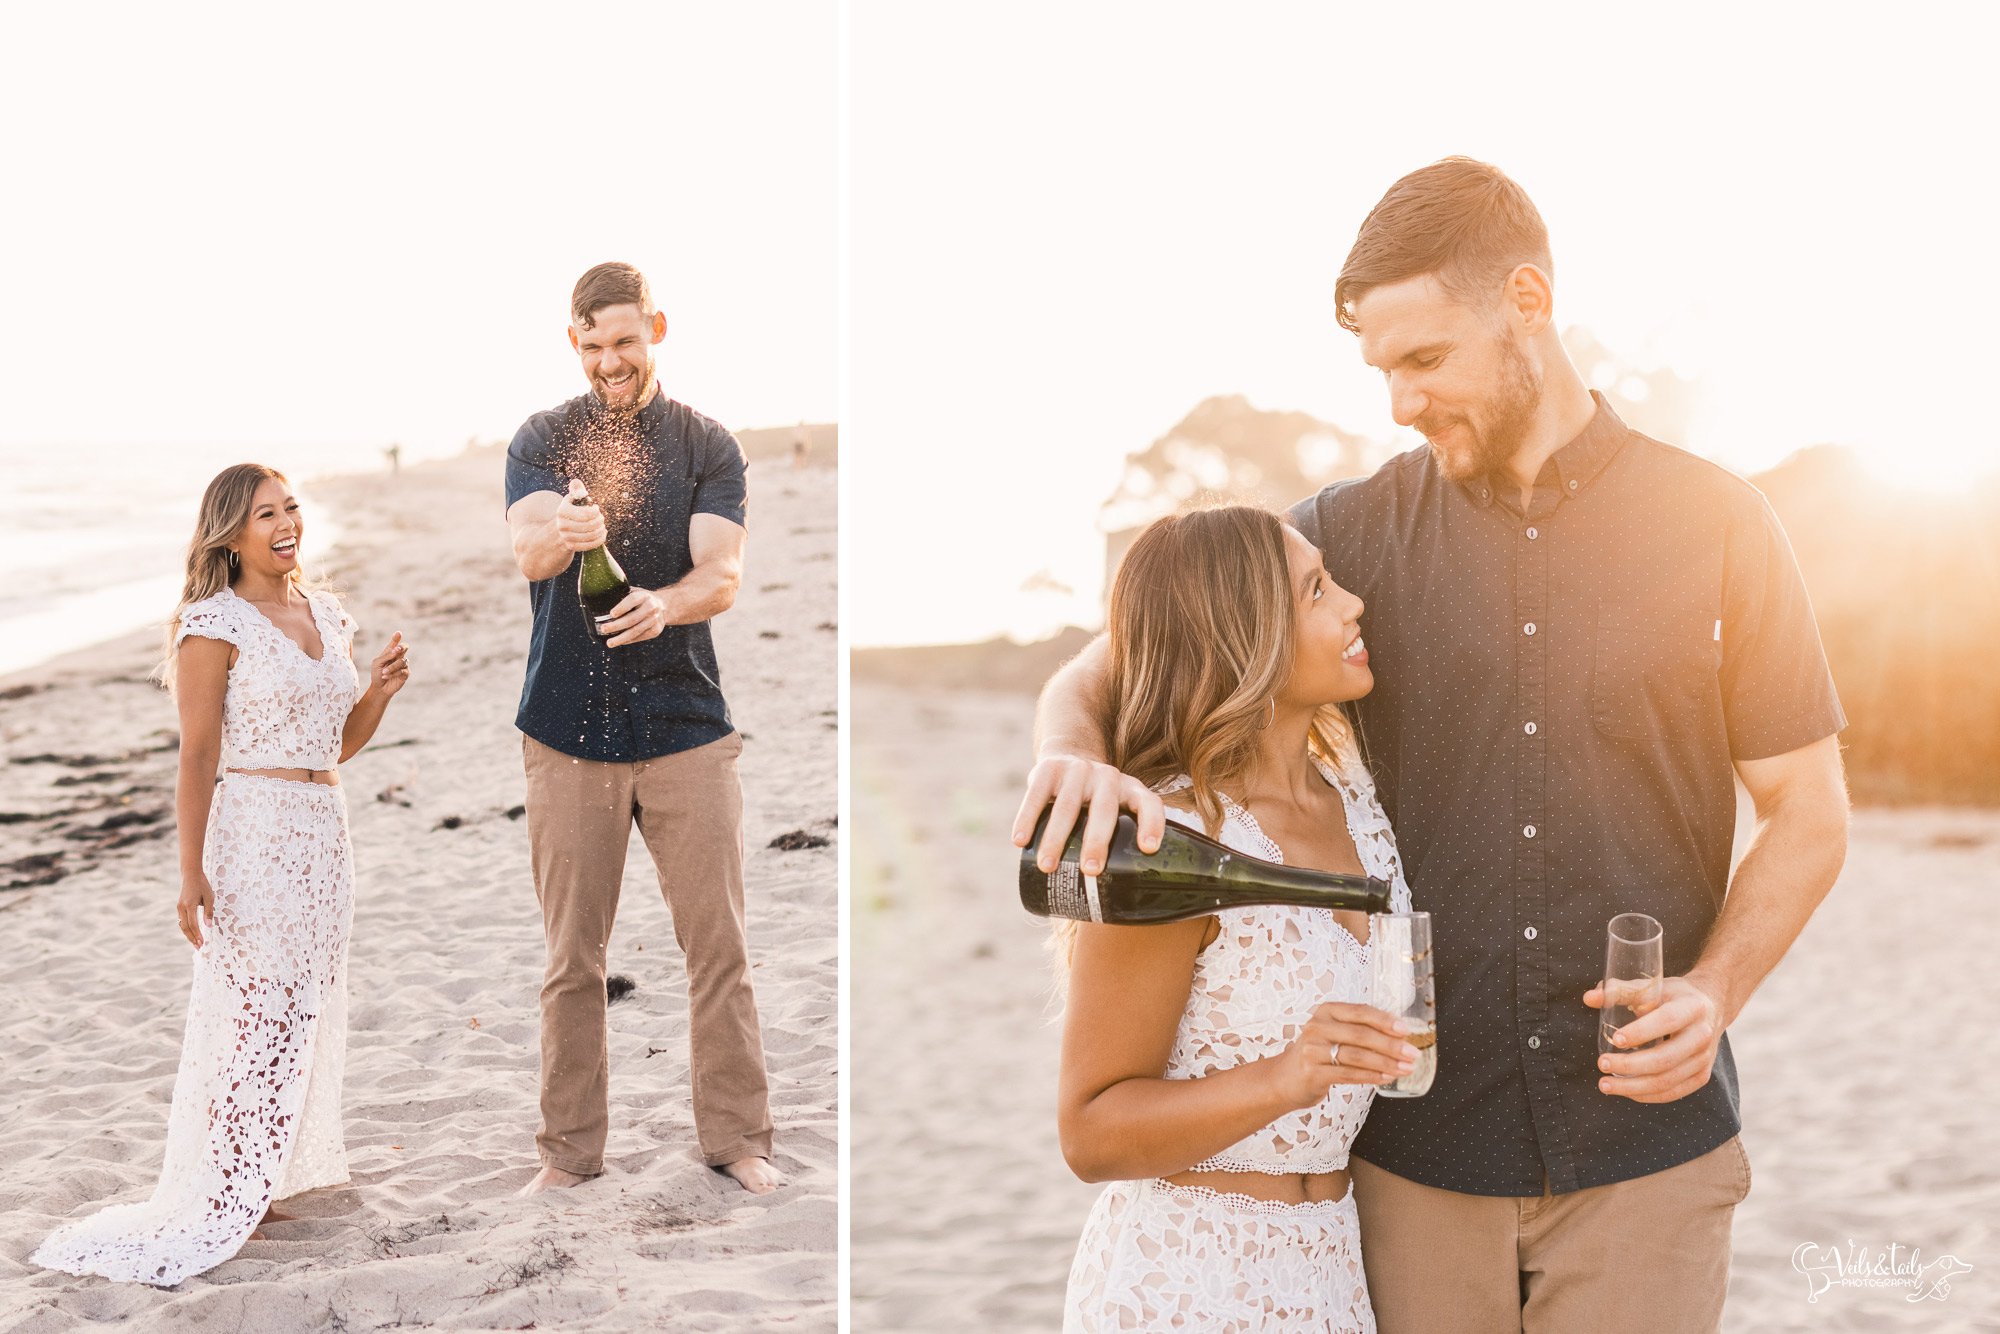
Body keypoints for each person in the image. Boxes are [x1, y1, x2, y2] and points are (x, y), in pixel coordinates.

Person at [1019, 158, 1850, 1331]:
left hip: (1644, 1152)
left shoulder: (1719, 524)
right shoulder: (1345, 535)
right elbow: (1121, 652)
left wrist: (1716, 990)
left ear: (1526, 300)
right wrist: (1070, 746)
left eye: (1423, 360)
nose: (1399, 402)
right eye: (1379, 370)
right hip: (1411, 1164)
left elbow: (1809, 809)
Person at [32, 464, 409, 1286]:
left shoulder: (327, 611)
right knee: (254, 1009)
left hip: (324, 831)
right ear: (230, 535)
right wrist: (189, 871)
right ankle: (238, 1184)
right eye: (265, 514)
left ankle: (268, 1172)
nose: (287, 524)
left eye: (292, 508)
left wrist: (375, 695)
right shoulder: (213, 623)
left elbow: (332, 744)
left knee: (307, 1001)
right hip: (254, 834)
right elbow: (198, 754)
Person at [1054, 506, 1412, 1331]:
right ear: (1242, 641)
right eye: (1316, 591)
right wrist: (1284, 1078)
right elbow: (1090, 1131)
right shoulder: (1167, 842)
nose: (1353, 603)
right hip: (1187, 1278)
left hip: (1333, 1270)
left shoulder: (1356, 796)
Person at [503, 261, 781, 1197]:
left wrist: (664, 606)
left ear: (657, 328)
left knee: (719, 948)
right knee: (571, 960)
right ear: (571, 343)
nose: (609, 362)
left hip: (687, 727)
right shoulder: (542, 439)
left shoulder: (709, 443)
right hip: (565, 731)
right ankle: (569, 1156)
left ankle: (737, 1140)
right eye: (591, 346)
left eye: (624, 341)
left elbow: (724, 574)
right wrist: (575, 534)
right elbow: (529, 546)